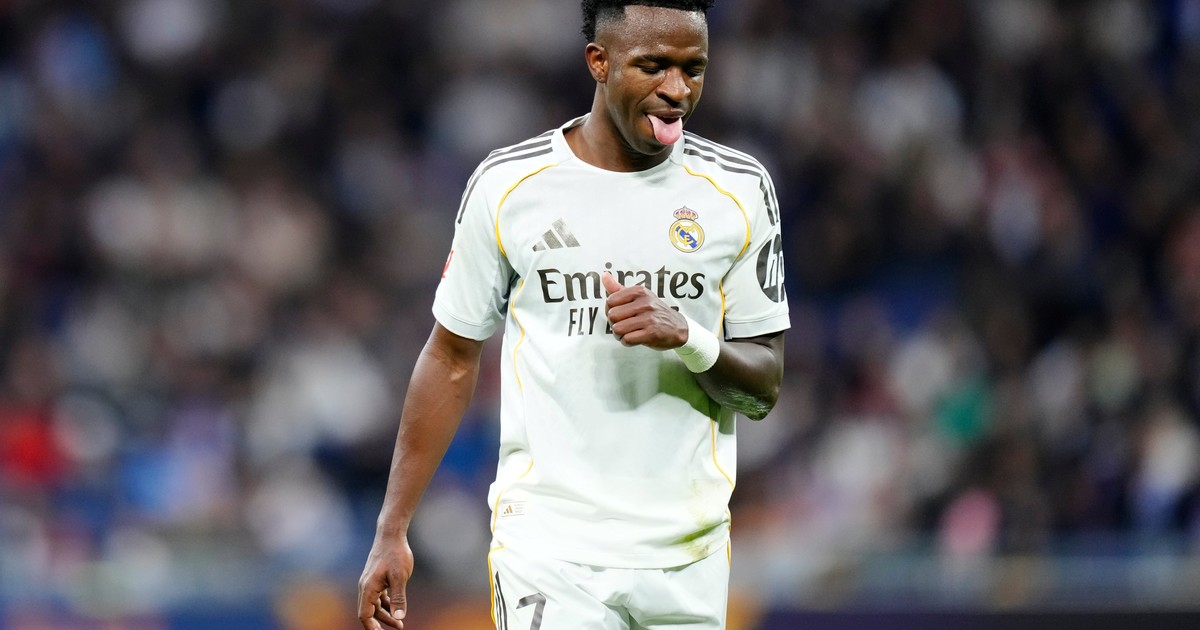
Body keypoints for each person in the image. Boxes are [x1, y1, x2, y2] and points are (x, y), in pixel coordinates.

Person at [358, 1, 788, 627]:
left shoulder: (738, 190)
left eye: (693, 69)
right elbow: (451, 356)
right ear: (599, 61)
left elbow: (764, 387)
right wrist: (391, 529)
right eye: (653, 66)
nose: (677, 90)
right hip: (548, 550)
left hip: (689, 556)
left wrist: (687, 337)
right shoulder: (510, 186)